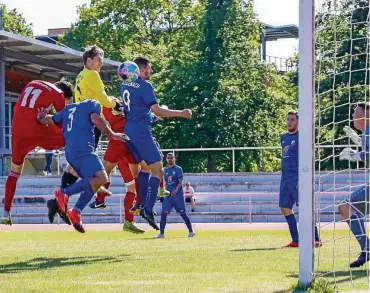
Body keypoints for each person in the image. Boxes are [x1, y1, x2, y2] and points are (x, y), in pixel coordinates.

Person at [119, 58, 192, 230]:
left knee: (146, 167)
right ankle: (147, 209)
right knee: (158, 169)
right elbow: (157, 110)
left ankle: (142, 203)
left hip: (129, 131)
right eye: (148, 69)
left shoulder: (124, 86)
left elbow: (134, 108)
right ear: (140, 70)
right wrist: (181, 113)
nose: (150, 72)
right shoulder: (145, 86)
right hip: (141, 132)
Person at [37, 98, 128, 233]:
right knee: (102, 178)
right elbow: (96, 119)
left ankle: (76, 211)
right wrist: (113, 134)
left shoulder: (68, 109)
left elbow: (50, 120)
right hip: (84, 150)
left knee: (95, 182)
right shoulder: (92, 103)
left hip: (71, 152)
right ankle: (63, 193)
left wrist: (41, 117)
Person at [1, 80, 74, 225]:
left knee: (15, 172)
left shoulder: (32, 82)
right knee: (72, 134)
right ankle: (66, 189)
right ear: (65, 96)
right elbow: (62, 121)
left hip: (17, 128)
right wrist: (46, 119)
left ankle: (5, 213)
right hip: (36, 129)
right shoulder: (58, 94)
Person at [88, 103, 144, 234]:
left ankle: (101, 201)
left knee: (106, 173)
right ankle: (131, 217)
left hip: (122, 142)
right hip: (124, 142)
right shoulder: (108, 103)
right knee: (134, 183)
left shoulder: (101, 106)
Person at [279, 110, 321, 248]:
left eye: (292, 119)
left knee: (304, 209)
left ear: (298, 122)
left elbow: (307, 158)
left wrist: (302, 179)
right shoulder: (283, 137)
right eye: (288, 119)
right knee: (285, 208)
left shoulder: (302, 137)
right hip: (285, 178)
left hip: (297, 178)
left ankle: (315, 238)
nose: (289, 122)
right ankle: (296, 240)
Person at [339, 102, 370, 267]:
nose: (353, 116)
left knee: (345, 207)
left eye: (356, 114)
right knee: (346, 207)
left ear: (366, 116)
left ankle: (367, 248)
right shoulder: (366, 133)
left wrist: (354, 155)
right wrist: (356, 139)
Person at [155, 153, 194, 238]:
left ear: (174, 158)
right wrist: (162, 192)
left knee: (183, 213)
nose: (170, 159)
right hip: (168, 196)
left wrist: (176, 190)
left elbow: (180, 182)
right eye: (168, 158)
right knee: (164, 213)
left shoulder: (178, 169)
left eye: (171, 157)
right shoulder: (164, 170)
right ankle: (161, 233)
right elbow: (163, 182)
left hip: (177, 196)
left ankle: (191, 231)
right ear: (166, 159)